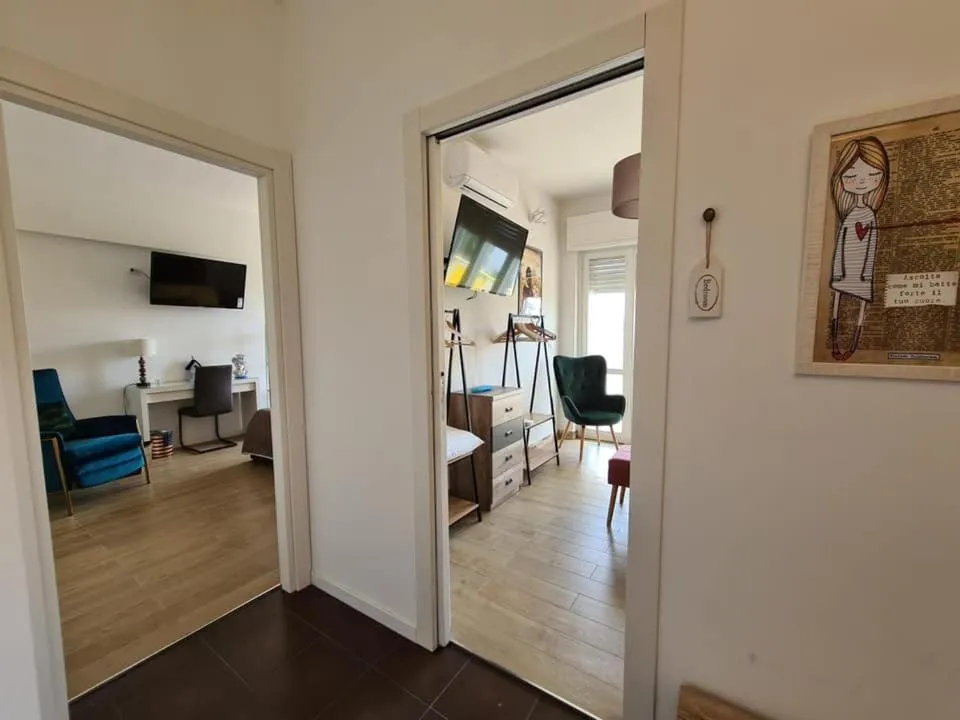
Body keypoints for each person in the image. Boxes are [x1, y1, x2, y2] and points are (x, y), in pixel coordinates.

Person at [829, 135, 890, 361]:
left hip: (862, 273)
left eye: (872, 174)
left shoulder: (869, 217)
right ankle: (836, 342)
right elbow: (841, 245)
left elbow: (871, 246)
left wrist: (866, 273)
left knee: (861, 303)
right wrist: (838, 271)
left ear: (880, 179)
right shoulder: (850, 217)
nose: (862, 181)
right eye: (852, 175)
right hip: (844, 269)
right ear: (841, 179)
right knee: (838, 299)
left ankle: (853, 343)